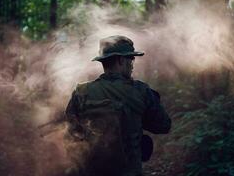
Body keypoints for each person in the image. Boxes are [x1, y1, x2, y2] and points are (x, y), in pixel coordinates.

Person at [65, 35, 171, 176]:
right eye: (131, 59)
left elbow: (70, 135)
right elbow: (163, 126)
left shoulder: (81, 92)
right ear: (121, 60)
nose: (132, 64)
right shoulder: (141, 91)